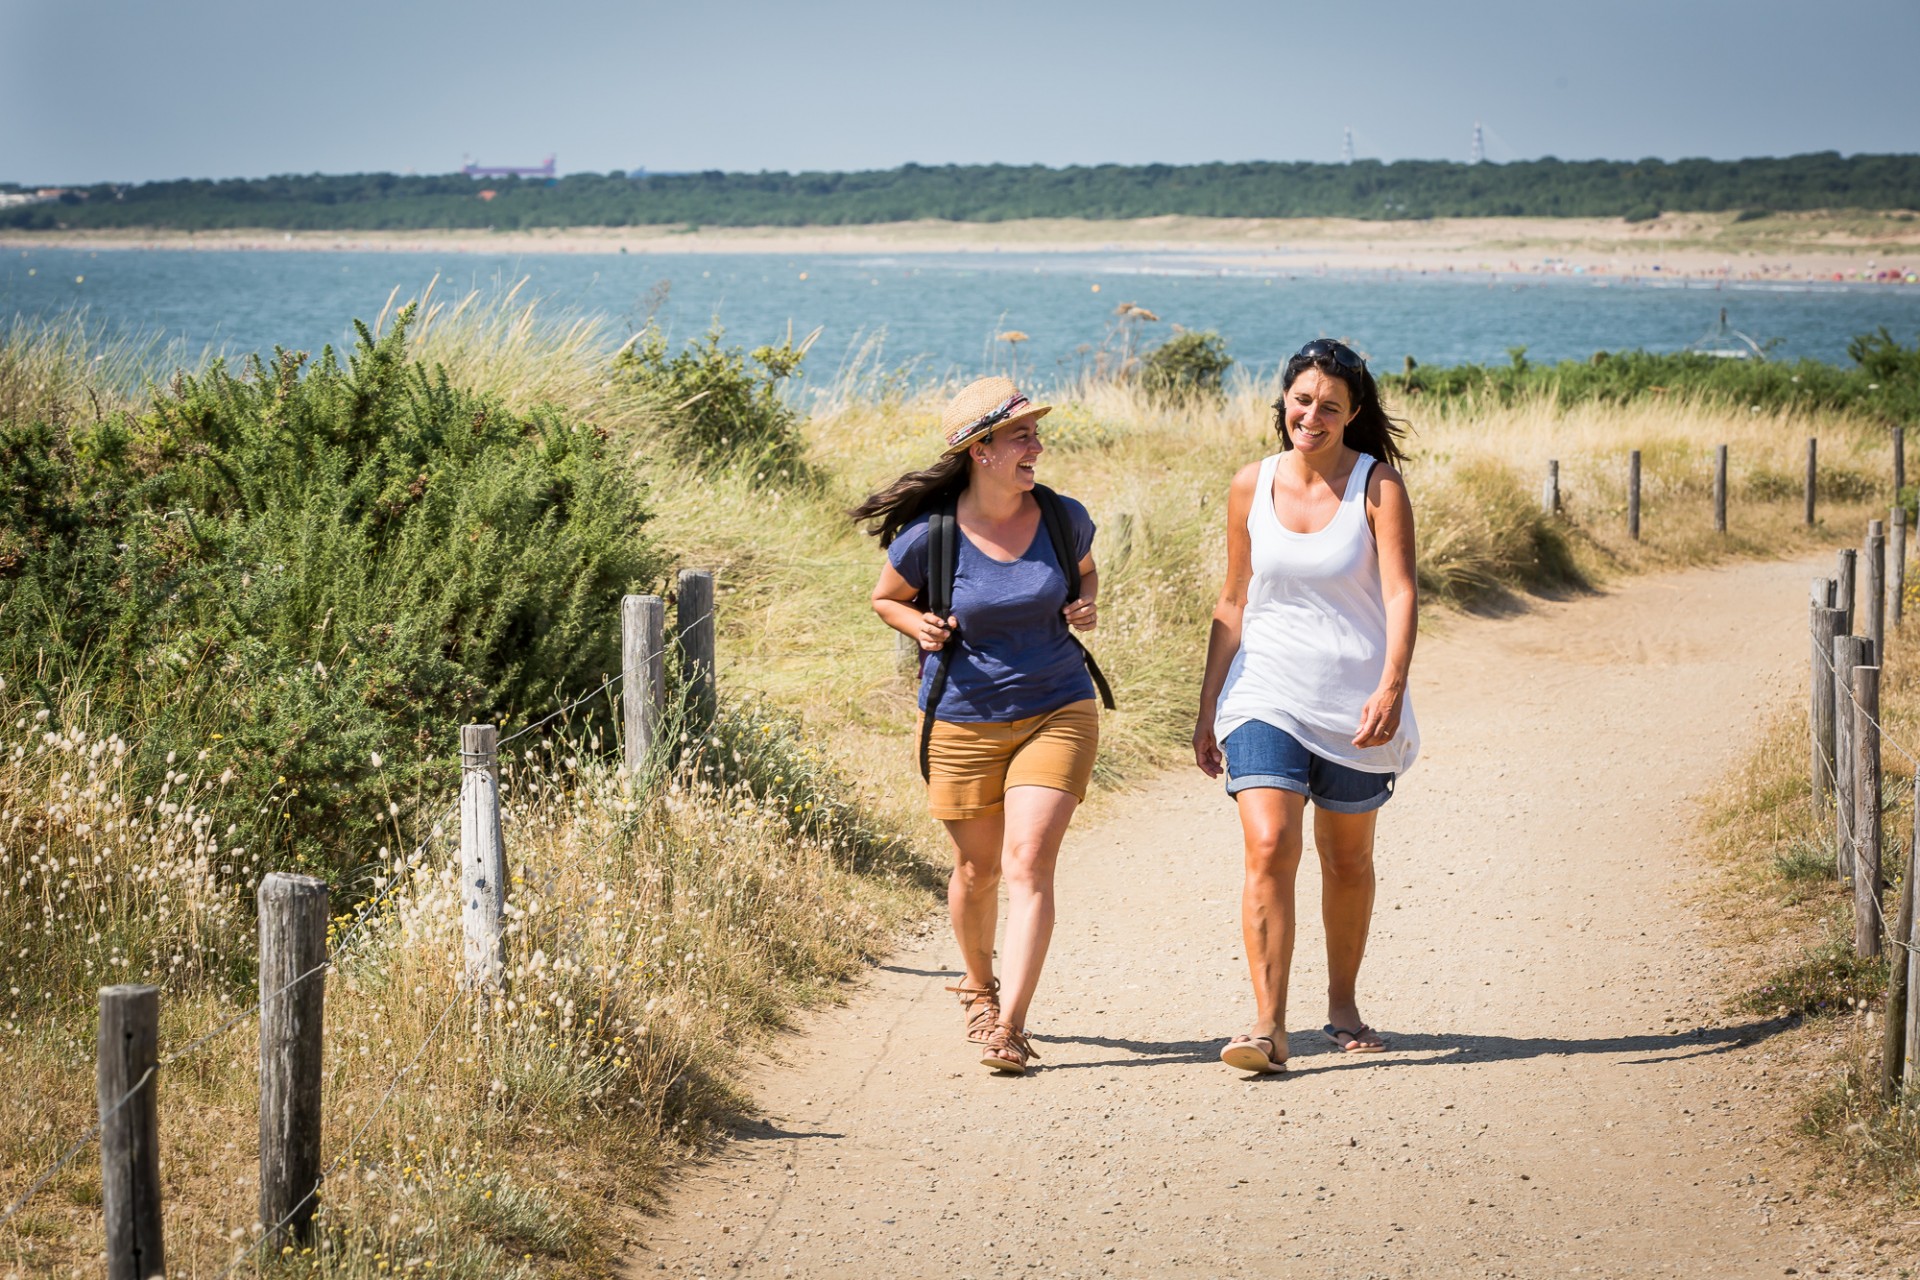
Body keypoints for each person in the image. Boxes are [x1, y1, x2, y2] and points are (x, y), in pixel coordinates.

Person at [853, 376, 1102, 1075]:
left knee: (1028, 863)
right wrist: (917, 622)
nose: (1037, 447)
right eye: (1022, 435)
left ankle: (1013, 1028)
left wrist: (1084, 604)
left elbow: (1086, 572)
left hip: (1060, 705)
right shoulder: (929, 538)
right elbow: (884, 599)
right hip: (962, 719)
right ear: (981, 450)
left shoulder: (1061, 516)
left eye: (1035, 433)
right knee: (976, 868)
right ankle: (978, 988)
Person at [1192, 339, 1419, 1075]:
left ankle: (1343, 1004)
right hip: (1264, 691)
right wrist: (1207, 709)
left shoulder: (1377, 487)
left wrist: (1390, 686)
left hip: (1355, 700)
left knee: (1347, 861)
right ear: (1283, 400)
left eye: (1328, 405)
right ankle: (1266, 1026)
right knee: (1268, 844)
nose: (1310, 416)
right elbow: (1232, 601)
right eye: (1301, 400)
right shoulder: (1249, 485)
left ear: (1353, 414)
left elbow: (1400, 594)